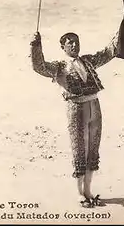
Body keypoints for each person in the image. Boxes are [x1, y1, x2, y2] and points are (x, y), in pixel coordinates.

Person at [30, 31, 119, 208]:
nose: (74, 45)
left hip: (94, 105)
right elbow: (39, 66)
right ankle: (80, 194)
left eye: (76, 42)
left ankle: (88, 191)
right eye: (70, 43)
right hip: (76, 108)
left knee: (93, 148)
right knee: (79, 149)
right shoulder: (59, 66)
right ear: (62, 47)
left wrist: (122, 30)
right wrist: (35, 46)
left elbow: (109, 52)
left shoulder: (88, 60)